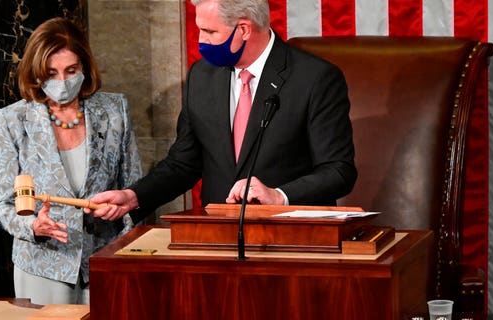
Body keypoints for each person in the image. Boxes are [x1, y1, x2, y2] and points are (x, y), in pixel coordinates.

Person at [86, 0, 356, 223]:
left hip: (289, 236)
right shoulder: (202, 77)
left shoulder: (315, 78)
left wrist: (279, 195)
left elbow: (338, 171)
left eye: (210, 32)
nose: (201, 41)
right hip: (217, 236)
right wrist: (134, 196)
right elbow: (184, 164)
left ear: (244, 29)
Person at [0, 17, 142, 305]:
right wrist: (33, 226)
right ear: (36, 74)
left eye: (71, 71)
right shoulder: (11, 120)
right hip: (43, 264)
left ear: (84, 66)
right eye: (51, 73)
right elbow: (0, 203)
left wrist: (126, 231)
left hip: (105, 260)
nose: (62, 82)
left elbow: (135, 188)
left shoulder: (115, 110)